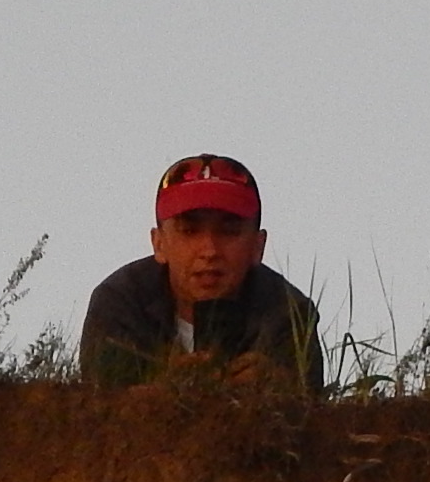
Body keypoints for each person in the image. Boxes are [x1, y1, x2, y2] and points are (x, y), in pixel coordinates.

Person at [80, 153, 327, 395]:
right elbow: (101, 404)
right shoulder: (120, 302)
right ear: (159, 243)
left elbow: (313, 404)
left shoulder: (289, 313)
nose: (210, 250)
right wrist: (167, 391)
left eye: (229, 232)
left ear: (257, 246)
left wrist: (279, 390)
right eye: (189, 231)